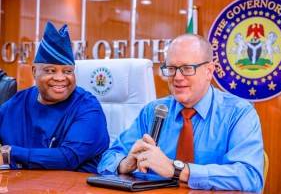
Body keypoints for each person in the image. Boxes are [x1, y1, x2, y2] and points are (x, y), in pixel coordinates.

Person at [97, 34, 264, 191]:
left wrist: (176, 170)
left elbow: (250, 176)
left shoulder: (238, 113)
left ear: (209, 71)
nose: (177, 77)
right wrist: (126, 164)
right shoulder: (154, 111)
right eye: (171, 68)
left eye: (186, 68)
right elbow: (108, 159)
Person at [0, 21, 109, 173]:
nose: (60, 78)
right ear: (34, 72)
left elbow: (68, 157)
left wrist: (9, 153)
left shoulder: (87, 107)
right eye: (50, 71)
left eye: (67, 71)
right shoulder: (19, 101)